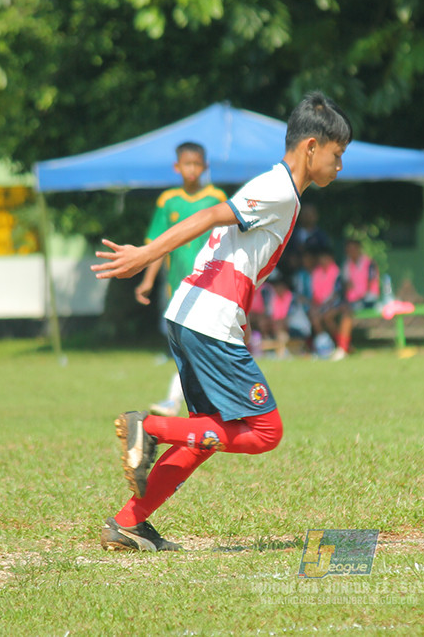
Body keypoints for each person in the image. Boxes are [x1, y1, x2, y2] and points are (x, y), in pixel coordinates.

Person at [92, 91, 352, 551]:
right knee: (266, 430)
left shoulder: (281, 191)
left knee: (206, 432)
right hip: (207, 320)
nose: (340, 165)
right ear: (311, 147)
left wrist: (241, 311)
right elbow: (211, 215)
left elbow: (230, 248)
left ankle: (128, 523)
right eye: (337, 154)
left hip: (196, 315)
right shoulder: (277, 189)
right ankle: (148, 427)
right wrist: (146, 255)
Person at [134, 142, 227, 416]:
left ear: (205, 167)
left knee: (201, 344)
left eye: (197, 164)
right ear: (177, 167)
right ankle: (189, 400)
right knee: (190, 345)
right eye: (187, 164)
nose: (192, 169)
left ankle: (178, 399)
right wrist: (148, 280)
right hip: (178, 287)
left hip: (211, 285)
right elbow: (157, 246)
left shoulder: (216, 198)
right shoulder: (168, 201)